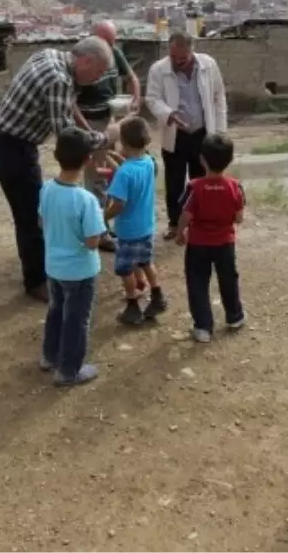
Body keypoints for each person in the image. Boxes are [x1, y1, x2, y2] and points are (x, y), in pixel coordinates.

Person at [0, 37, 118, 302]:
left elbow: (68, 106)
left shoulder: (52, 56)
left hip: (12, 139)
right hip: (12, 146)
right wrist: (106, 137)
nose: (99, 78)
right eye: (99, 71)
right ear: (86, 61)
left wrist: (90, 133)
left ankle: (41, 268)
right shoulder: (59, 79)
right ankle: (36, 281)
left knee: (33, 209)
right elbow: (66, 135)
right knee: (30, 212)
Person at [38, 128, 106, 387]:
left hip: (53, 267)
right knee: (77, 320)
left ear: (56, 155)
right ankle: (69, 370)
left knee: (56, 310)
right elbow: (92, 242)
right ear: (88, 159)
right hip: (80, 271)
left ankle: (49, 355)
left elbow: (42, 221)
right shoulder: (86, 199)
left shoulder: (46, 189)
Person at [144, 30, 228, 241]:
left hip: (203, 133)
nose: (178, 62)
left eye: (183, 58)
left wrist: (219, 132)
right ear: (168, 51)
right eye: (173, 57)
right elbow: (152, 99)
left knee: (201, 181)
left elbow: (219, 97)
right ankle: (174, 223)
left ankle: (199, 222)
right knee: (174, 183)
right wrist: (169, 114)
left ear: (192, 51)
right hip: (176, 134)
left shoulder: (208, 65)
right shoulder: (158, 70)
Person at [73, 20, 142, 253]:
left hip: (110, 119)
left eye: (112, 42)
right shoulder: (83, 63)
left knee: (110, 174)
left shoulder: (114, 53)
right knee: (95, 178)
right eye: (106, 42)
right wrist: (88, 131)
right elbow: (71, 102)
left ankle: (103, 224)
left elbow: (132, 77)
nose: (110, 47)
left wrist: (136, 98)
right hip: (91, 123)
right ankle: (98, 231)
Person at [174, 133, 246, 343]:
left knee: (197, 282)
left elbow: (186, 215)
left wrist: (180, 233)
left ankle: (203, 326)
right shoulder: (235, 187)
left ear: (202, 159)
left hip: (198, 244)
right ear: (230, 160)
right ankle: (234, 317)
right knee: (228, 279)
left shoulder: (194, 187)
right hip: (225, 243)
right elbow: (239, 218)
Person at [103, 116, 164, 326]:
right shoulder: (148, 162)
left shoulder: (125, 174)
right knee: (146, 262)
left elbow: (118, 204)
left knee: (124, 269)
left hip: (127, 231)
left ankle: (132, 305)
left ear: (124, 143)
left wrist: (103, 217)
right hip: (146, 227)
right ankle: (157, 297)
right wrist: (115, 158)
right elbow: (129, 169)